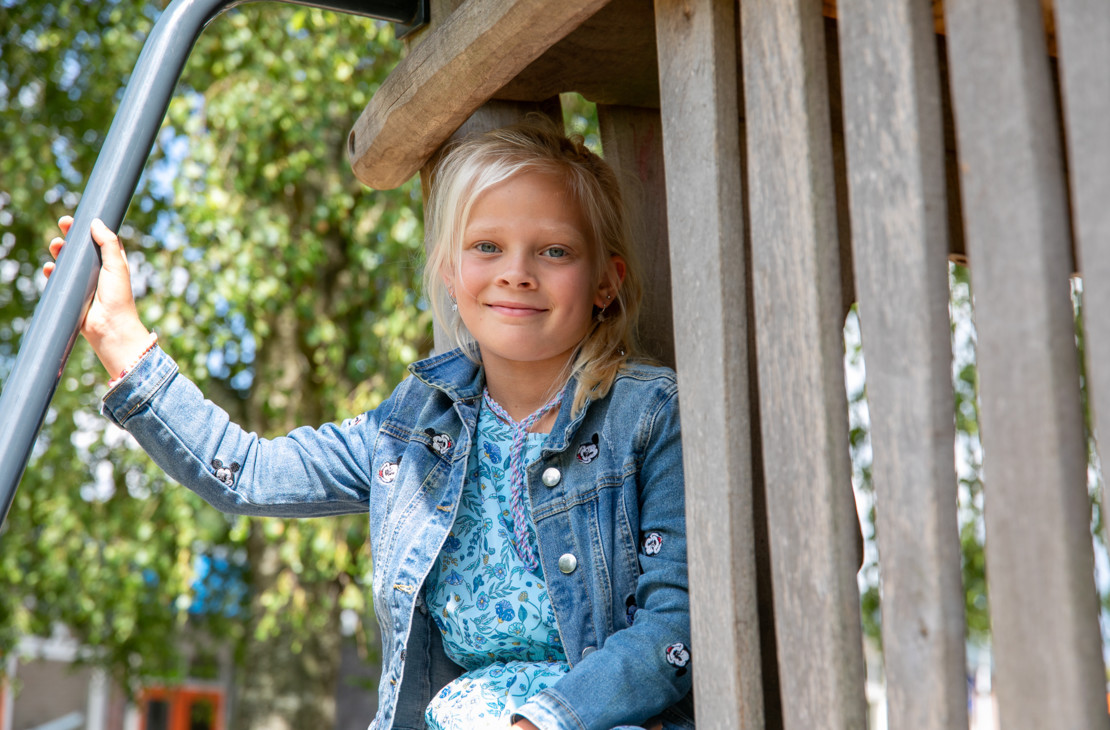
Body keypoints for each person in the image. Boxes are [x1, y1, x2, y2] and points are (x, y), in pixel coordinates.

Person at [46, 121, 693, 730]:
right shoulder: (413, 431)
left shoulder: (647, 416)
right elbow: (248, 471)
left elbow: (674, 626)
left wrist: (539, 722)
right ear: (449, 270)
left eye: (554, 250)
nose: (515, 271)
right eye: (486, 246)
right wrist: (118, 338)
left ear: (607, 282)